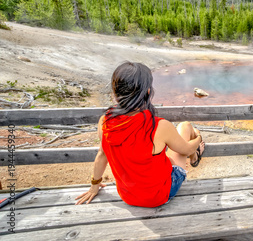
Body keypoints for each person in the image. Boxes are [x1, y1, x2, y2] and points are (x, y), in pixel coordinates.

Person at [75, 61, 205, 207]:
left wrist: (94, 185)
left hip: (128, 196)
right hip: (160, 195)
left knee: (165, 156)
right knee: (186, 126)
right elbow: (187, 149)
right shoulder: (158, 125)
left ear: (116, 91)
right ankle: (196, 154)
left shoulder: (105, 122)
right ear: (148, 91)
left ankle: (195, 156)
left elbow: (102, 154)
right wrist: (199, 137)